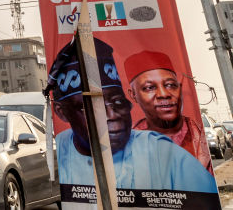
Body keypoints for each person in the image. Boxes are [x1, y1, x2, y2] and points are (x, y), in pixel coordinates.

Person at [47, 37, 217, 197]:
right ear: (61, 112)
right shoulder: (58, 151)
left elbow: (204, 201)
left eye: (118, 102)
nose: (112, 115)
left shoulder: (163, 153)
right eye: (92, 107)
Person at [124, 50, 211, 172]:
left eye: (170, 85)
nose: (164, 94)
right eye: (149, 88)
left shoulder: (199, 136)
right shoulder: (125, 145)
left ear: (180, 88)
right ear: (133, 95)